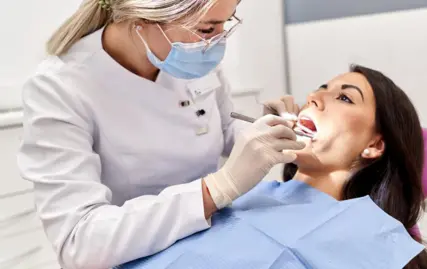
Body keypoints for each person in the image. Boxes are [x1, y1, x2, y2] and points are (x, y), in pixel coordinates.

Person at [16, 0, 305, 268]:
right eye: (207, 28)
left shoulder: (189, 55)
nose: (218, 41)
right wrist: (215, 190)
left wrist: (266, 129)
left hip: (214, 238)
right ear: (142, 18)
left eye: (225, 24)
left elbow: (223, 126)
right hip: (138, 257)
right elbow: (80, 241)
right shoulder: (60, 88)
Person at [119, 65, 427, 269]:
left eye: (345, 98)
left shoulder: (370, 239)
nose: (314, 97)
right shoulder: (245, 193)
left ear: (374, 145)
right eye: (321, 88)